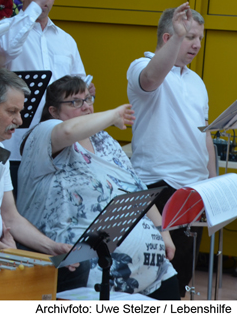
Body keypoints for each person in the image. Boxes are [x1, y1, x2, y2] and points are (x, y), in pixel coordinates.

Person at [18, 75, 179, 299]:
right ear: (54, 111)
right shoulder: (44, 133)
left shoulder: (104, 140)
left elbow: (135, 187)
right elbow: (67, 131)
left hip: (152, 269)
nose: (86, 106)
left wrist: (163, 232)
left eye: (88, 99)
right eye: (75, 102)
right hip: (86, 271)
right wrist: (113, 114)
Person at [127, 3, 215, 297]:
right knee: (157, 281)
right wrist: (178, 36)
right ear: (168, 38)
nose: (197, 45)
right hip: (159, 185)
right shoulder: (141, 66)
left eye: (200, 38)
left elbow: (205, 136)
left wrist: (212, 184)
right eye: (189, 37)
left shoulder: (196, 80)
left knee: (183, 280)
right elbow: (152, 78)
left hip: (195, 189)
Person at [0, 0, 88, 190]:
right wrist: (34, 9)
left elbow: (80, 86)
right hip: (15, 144)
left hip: (58, 146)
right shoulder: (6, 29)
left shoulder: (67, 40)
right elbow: (4, 52)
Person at [0, 69, 71, 257]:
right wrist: (5, 250)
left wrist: (53, 248)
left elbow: (10, 217)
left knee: (69, 265)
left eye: (20, 112)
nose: (19, 120)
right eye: (12, 111)